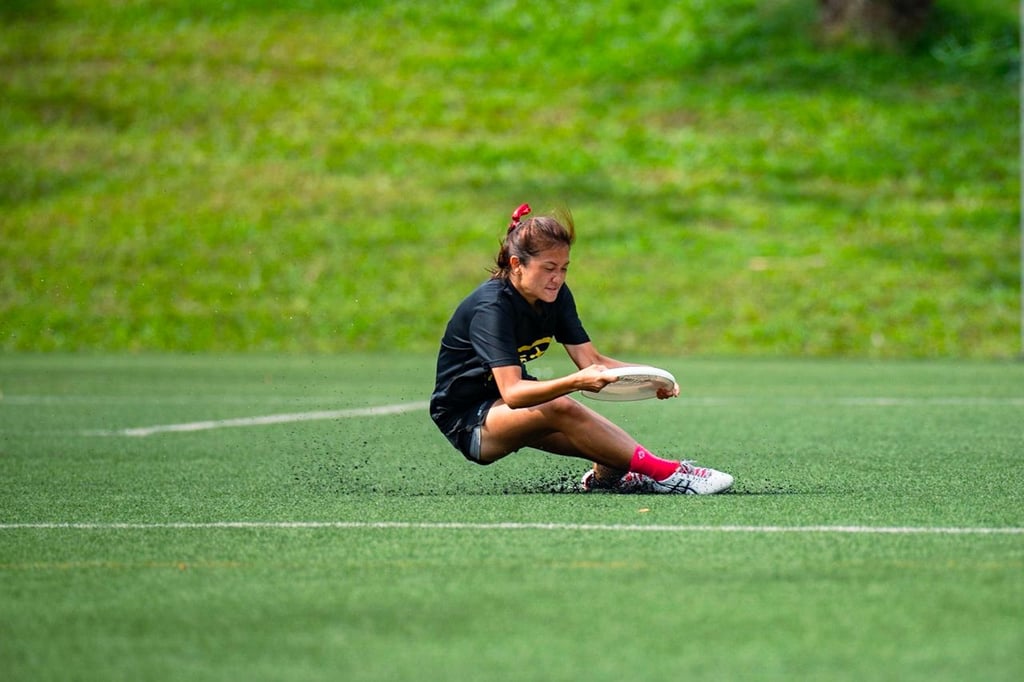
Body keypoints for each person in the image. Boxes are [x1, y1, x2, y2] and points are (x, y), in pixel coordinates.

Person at [429, 203, 733, 494]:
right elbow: (513, 393)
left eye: (564, 268)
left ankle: (607, 478)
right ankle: (669, 474)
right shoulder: (491, 307)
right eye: (549, 268)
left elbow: (592, 360)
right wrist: (576, 382)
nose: (557, 278)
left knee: (610, 453)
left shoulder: (556, 296)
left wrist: (653, 379)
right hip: (469, 422)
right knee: (561, 406)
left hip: (508, 410)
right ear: (516, 264)